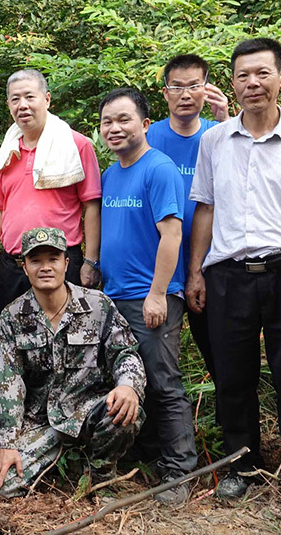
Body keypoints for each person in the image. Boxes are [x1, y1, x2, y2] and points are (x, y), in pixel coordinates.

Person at [186, 38, 281, 510]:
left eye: (261, 73)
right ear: (231, 85)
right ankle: (242, 466)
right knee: (232, 374)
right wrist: (195, 271)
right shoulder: (215, 140)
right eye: (242, 76)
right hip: (229, 273)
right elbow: (206, 210)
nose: (252, 84)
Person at [0, 226, 145, 498]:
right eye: (36, 260)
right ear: (24, 267)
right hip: (40, 419)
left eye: (53, 259)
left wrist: (129, 386)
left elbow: (125, 353)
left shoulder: (97, 305)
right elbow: (9, 384)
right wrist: (8, 442)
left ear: (66, 263)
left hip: (86, 409)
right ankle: (69, 465)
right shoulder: (13, 316)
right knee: (3, 487)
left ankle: (102, 477)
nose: (45, 267)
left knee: (125, 412)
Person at [98, 88, 195, 504]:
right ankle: (148, 455)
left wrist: (159, 293)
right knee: (127, 379)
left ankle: (179, 472)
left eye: (124, 119)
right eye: (107, 122)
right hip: (115, 297)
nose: (115, 128)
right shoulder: (110, 173)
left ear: (144, 123)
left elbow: (172, 234)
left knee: (162, 381)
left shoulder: (159, 168)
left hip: (150, 297)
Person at [0, 69, 102, 310]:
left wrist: (90, 261)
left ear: (47, 99)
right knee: (16, 336)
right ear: (8, 104)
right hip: (15, 264)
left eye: (30, 97)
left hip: (59, 261)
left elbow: (91, 204)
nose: (23, 105)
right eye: (15, 99)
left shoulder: (75, 146)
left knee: (67, 335)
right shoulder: (6, 152)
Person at [146, 54, 229, 377]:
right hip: (162, 264)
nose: (185, 94)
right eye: (177, 87)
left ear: (207, 90)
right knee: (160, 357)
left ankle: (230, 423)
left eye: (194, 86)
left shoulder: (219, 133)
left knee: (220, 350)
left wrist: (225, 119)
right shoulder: (149, 137)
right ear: (165, 93)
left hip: (212, 262)